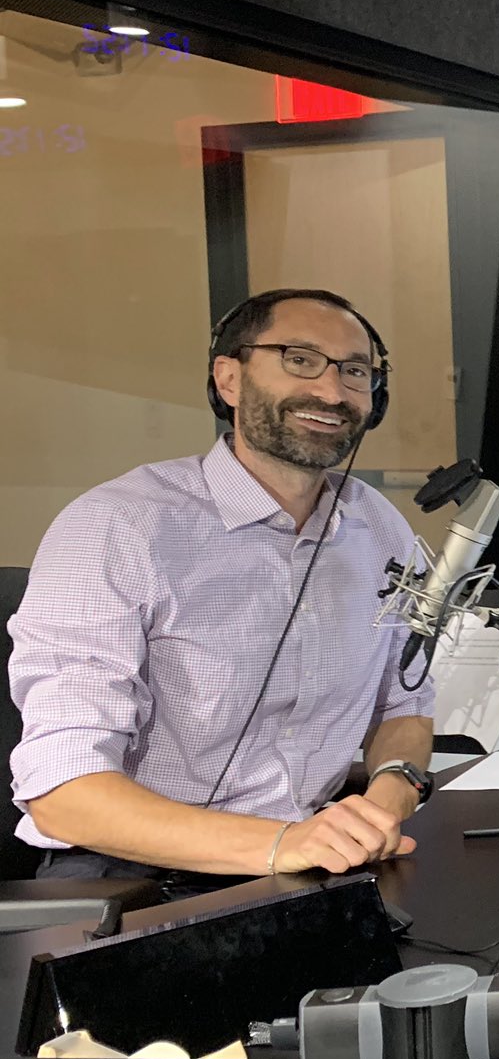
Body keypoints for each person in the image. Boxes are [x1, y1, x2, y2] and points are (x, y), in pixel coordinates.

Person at [8, 288, 435, 884]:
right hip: (134, 880)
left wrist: (390, 796)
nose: (333, 392)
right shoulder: (116, 527)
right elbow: (62, 791)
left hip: (314, 864)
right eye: (300, 359)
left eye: (355, 372)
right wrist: (283, 844)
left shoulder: (380, 528)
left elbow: (404, 702)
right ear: (228, 380)